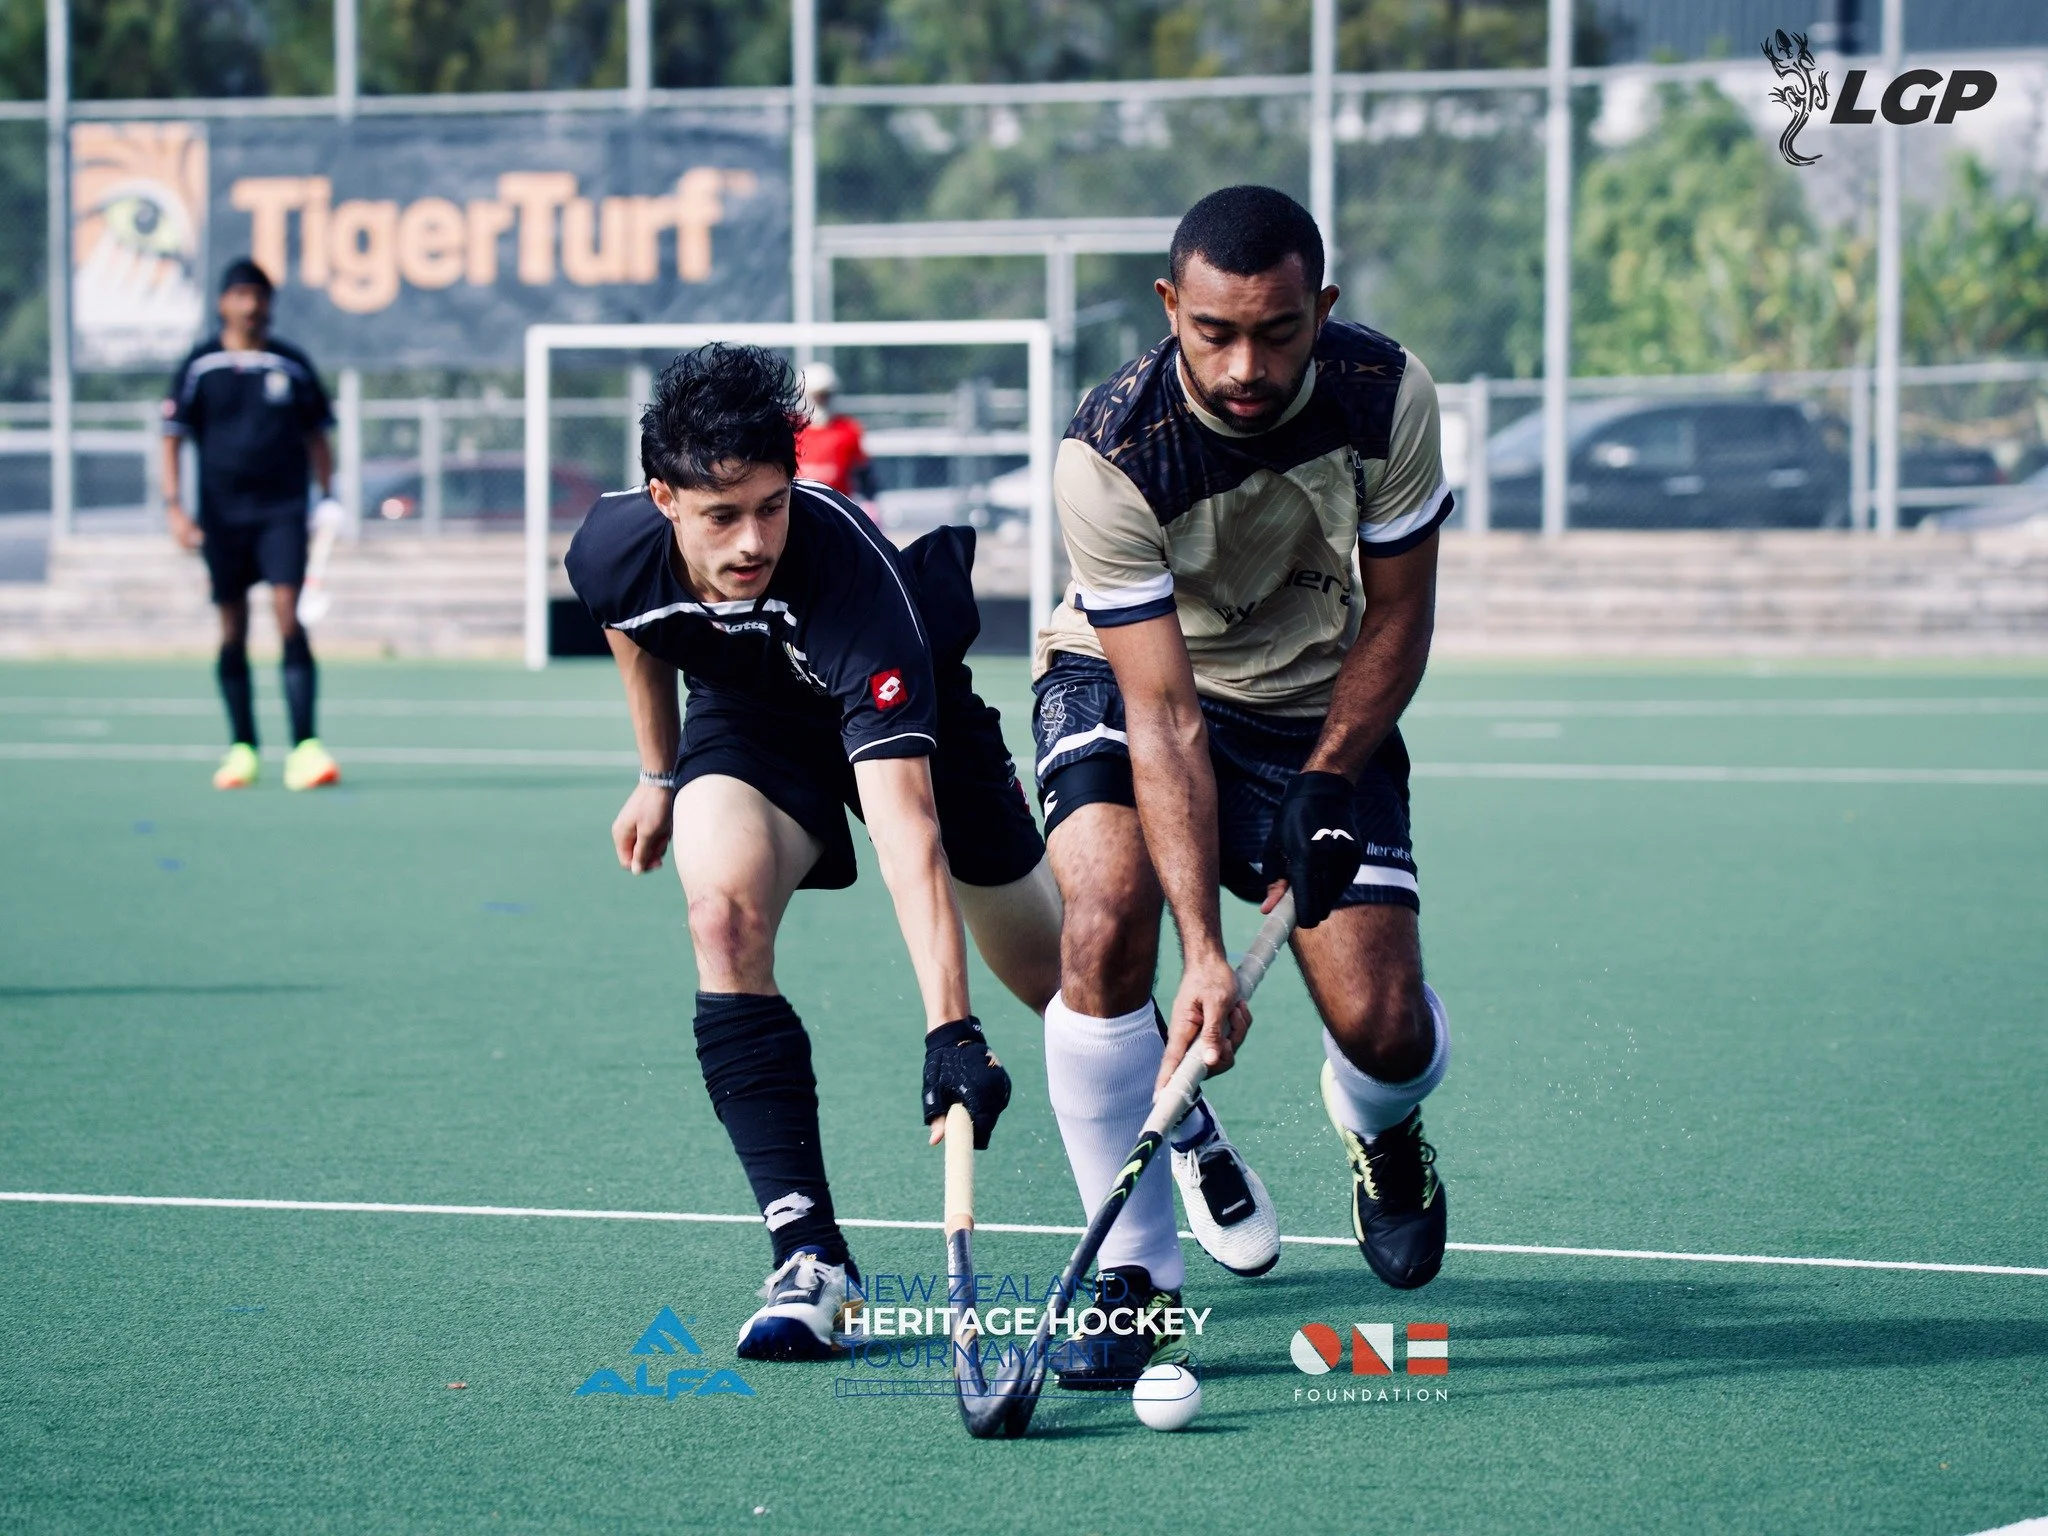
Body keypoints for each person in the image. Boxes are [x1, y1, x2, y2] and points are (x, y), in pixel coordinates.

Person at [564, 343, 1064, 1361]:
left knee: (1064, 983)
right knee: (720, 917)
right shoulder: (611, 548)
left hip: (911, 718)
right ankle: (811, 1259)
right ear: (663, 500)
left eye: (772, 506)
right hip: (751, 719)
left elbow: (908, 829)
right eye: (721, 516)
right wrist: (658, 772)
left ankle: (1185, 1129)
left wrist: (951, 1031)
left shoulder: (847, 579)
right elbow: (632, 622)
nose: (753, 541)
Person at [1030, 186, 1458, 1369]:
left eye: (1275, 332)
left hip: (1312, 699)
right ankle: (1134, 1277)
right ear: (1170, 305)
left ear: (1320, 307)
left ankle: (1380, 1129)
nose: (1243, 367)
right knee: (1103, 918)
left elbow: (1401, 612)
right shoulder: (1111, 452)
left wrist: (1326, 777)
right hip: (1127, 681)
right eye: (1213, 332)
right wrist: (1203, 954)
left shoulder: (1385, 396)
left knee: (1383, 1030)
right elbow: (1164, 716)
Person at [162, 257, 341, 792]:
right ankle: (242, 748)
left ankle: (305, 749)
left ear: (270, 304)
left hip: (282, 513)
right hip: (222, 517)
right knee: (232, 627)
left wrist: (328, 496)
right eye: (241, 294)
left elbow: (317, 436)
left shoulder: (290, 364)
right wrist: (175, 507)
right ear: (223, 303)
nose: (251, 305)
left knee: (289, 617)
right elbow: (171, 436)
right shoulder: (201, 365)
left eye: (259, 295)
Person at [793, 363, 876, 503]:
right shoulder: (790, 430)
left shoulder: (848, 429)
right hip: (799, 506)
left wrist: (870, 502)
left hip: (838, 506)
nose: (821, 401)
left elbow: (864, 473)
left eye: (825, 395)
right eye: (816, 396)